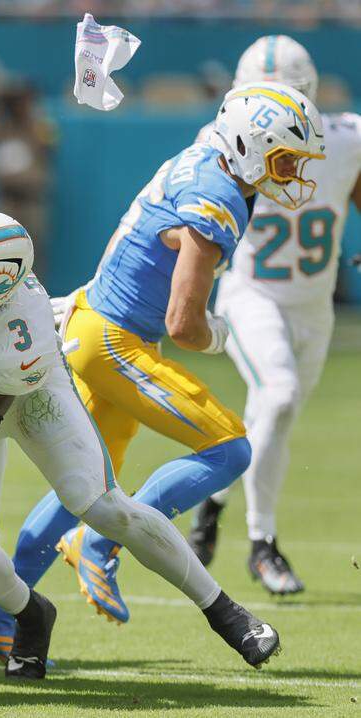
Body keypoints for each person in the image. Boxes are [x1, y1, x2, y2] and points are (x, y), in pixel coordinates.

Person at [0, 195, 287, 676]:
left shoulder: (21, 321)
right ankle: (29, 612)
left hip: (22, 394)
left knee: (102, 504)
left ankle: (224, 611)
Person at [32, 82, 323, 637]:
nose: (291, 175)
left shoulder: (208, 157)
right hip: (114, 341)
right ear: (251, 144)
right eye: (284, 160)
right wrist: (221, 336)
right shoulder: (219, 194)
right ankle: (103, 539)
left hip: (97, 319)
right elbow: (183, 324)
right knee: (230, 448)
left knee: (84, 479)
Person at [189, 36, 361, 597]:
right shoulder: (222, 141)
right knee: (279, 395)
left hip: (313, 308)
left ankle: (212, 504)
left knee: (272, 413)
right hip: (251, 295)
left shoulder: (345, 139)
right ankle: (262, 543)